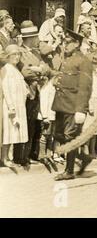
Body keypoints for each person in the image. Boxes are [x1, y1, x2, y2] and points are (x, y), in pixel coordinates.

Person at [52, 29, 93, 181]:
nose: (65, 44)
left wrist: (81, 110)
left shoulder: (84, 61)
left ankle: (69, 171)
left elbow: (85, 87)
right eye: (64, 42)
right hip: (61, 103)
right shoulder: (67, 59)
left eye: (68, 42)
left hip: (73, 105)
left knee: (69, 137)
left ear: (76, 43)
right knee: (58, 135)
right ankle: (83, 157)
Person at [14, 21, 50, 167]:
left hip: (38, 92)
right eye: (35, 37)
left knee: (36, 124)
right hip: (27, 92)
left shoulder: (35, 52)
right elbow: (25, 72)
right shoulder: (20, 52)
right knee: (25, 123)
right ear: (30, 38)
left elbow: (46, 68)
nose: (37, 39)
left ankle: (31, 154)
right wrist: (38, 70)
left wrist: (38, 69)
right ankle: (20, 156)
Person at [0, 45, 29, 167]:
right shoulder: (6, 69)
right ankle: (4, 158)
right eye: (14, 55)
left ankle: (9, 157)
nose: (17, 57)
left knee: (14, 132)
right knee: (8, 131)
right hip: (10, 105)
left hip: (19, 104)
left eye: (18, 55)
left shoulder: (16, 69)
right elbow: (6, 89)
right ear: (8, 56)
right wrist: (11, 107)